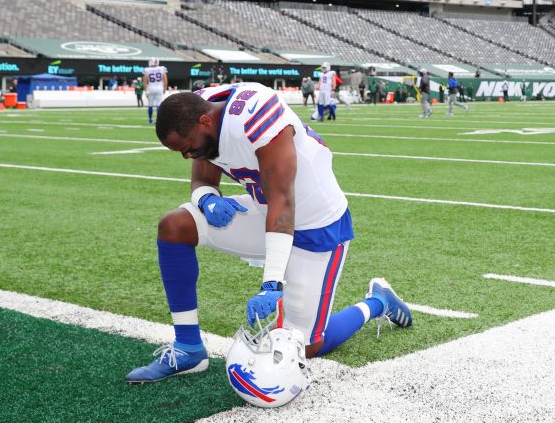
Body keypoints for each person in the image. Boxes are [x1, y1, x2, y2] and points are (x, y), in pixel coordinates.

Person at [126, 84, 412, 383]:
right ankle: (188, 348)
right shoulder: (202, 109)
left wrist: (271, 283)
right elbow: (203, 178)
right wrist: (206, 198)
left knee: (307, 346)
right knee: (175, 227)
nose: (187, 156)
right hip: (267, 212)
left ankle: (378, 302)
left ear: (205, 122)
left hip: (315, 223)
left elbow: (284, 202)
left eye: (187, 147)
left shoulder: (257, 116)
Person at [143, 57, 169, 124]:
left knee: (150, 105)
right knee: (159, 104)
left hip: (151, 88)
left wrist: (146, 90)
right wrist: (164, 88)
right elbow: (165, 79)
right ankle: (158, 120)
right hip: (159, 88)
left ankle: (150, 120)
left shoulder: (147, 70)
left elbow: (145, 81)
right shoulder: (162, 69)